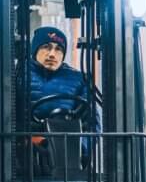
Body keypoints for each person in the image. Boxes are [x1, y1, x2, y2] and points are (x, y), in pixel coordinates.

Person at [28, 26, 100, 162]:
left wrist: (81, 152)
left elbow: (92, 123)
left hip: (66, 158)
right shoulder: (15, 77)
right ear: (35, 50)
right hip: (24, 160)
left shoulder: (79, 80)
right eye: (46, 47)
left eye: (58, 49)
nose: (52, 54)